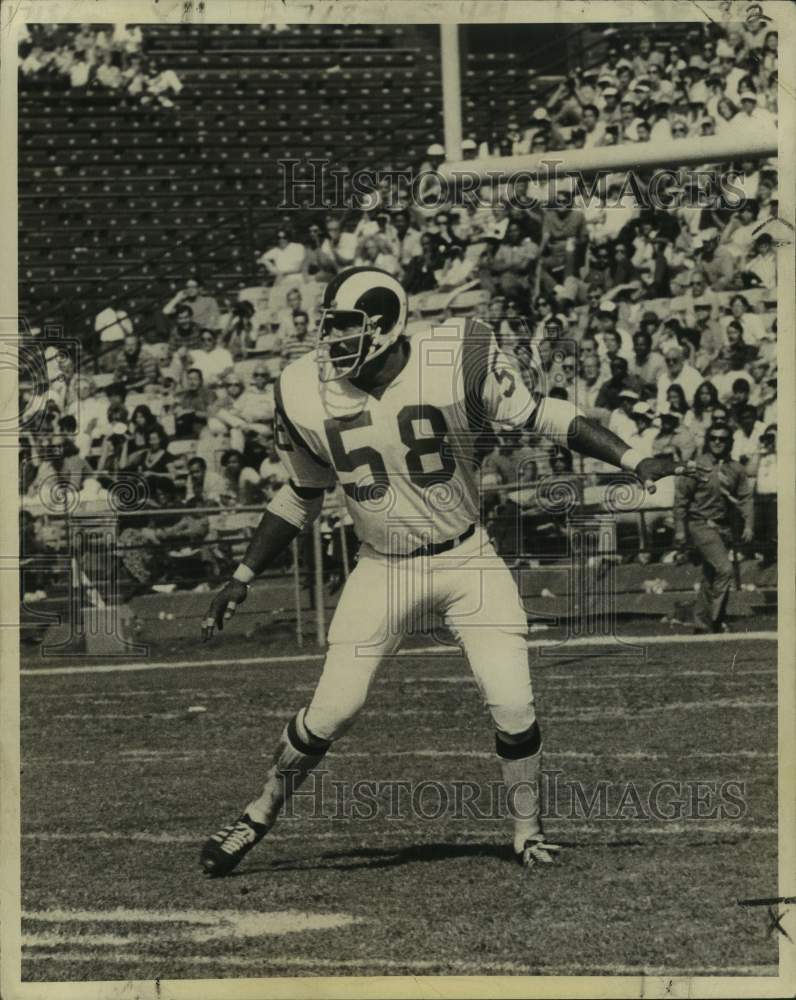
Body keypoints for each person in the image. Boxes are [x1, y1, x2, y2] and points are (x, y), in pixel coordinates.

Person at [197, 265, 693, 878]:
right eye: (330, 329)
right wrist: (242, 575)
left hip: (466, 557)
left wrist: (634, 457)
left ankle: (527, 831)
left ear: (385, 326)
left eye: (346, 328)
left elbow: (545, 416)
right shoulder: (301, 389)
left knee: (513, 703)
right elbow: (303, 493)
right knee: (333, 710)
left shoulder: (455, 356)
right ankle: (258, 811)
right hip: (382, 568)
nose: (332, 344)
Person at [673, 423, 753, 633]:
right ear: (708, 441)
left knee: (711, 575)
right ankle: (714, 621)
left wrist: (749, 525)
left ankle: (700, 622)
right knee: (725, 569)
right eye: (714, 438)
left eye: (723, 438)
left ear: (730, 442)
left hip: (724, 528)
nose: (718, 442)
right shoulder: (697, 466)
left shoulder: (736, 469)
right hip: (701, 524)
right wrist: (680, 529)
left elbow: (745, 498)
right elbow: (681, 500)